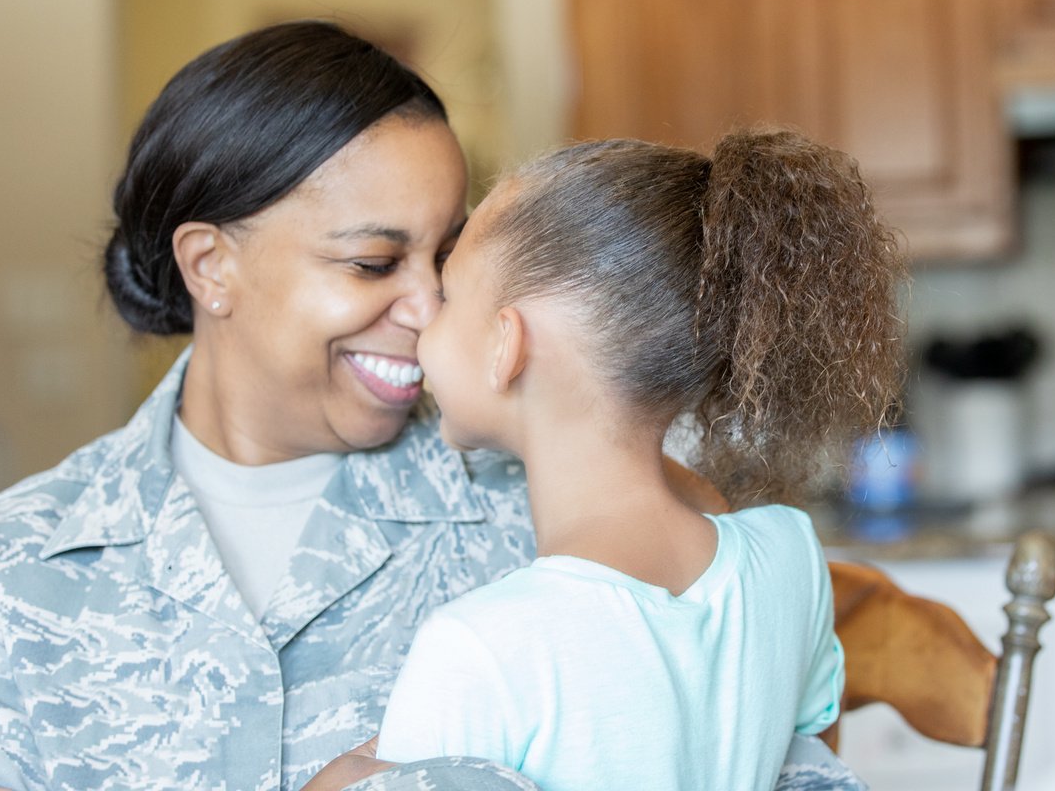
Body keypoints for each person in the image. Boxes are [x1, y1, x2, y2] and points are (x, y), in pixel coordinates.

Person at [0, 21, 870, 791]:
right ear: (211, 266)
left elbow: (777, 756)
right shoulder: (6, 572)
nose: (433, 311)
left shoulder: (578, 508)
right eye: (371, 263)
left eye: (446, 258)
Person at [375, 131, 906, 791]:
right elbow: (810, 756)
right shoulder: (789, 554)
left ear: (505, 345)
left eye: (448, 295)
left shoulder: (480, 651)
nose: (420, 318)